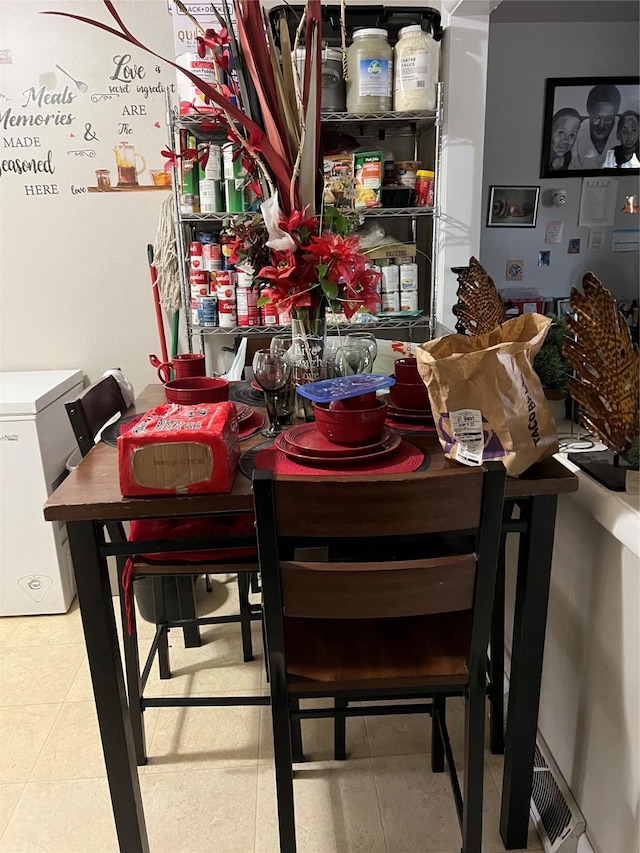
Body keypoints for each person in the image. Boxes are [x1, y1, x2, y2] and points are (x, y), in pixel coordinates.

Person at [571, 83, 621, 170]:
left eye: (608, 118)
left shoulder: (624, 129)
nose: (602, 125)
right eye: (597, 118)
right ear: (589, 112)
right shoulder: (577, 131)